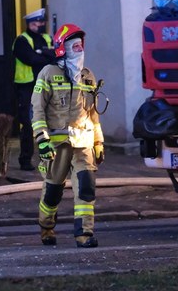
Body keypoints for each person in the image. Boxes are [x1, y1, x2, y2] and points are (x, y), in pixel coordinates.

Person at [31, 23, 105, 248]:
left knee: (86, 186)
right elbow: (37, 110)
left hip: (83, 144)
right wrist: (42, 140)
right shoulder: (48, 73)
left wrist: (98, 141)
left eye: (81, 47)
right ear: (62, 48)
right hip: (56, 145)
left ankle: (84, 234)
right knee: (53, 190)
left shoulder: (87, 76)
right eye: (75, 47)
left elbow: (93, 114)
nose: (79, 51)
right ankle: (46, 228)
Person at [12, 8, 55, 170]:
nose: (39, 25)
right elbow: (30, 59)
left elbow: (57, 55)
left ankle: (52, 158)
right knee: (28, 125)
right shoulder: (21, 40)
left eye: (41, 22)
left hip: (46, 85)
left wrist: (42, 53)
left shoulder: (46, 38)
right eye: (36, 23)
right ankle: (25, 160)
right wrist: (46, 54)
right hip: (27, 88)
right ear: (29, 24)